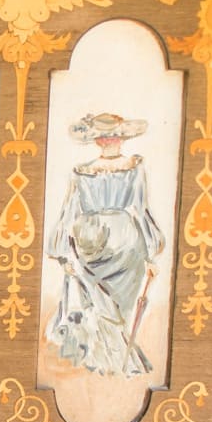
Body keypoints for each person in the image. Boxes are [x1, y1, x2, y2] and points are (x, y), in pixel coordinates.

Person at [45, 112, 165, 376]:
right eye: (105, 137)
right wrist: (65, 254)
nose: (110, 142)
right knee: (96, 301)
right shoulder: (83, 171)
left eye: (114, 137)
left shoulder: (134, 167)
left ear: (121, 139)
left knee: (120, 306)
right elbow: (71, 208)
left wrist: (150, 255)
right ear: (98, 141)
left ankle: (115, 358)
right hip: (91, 242)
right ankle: (106, 360)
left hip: (127, 243)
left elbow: (141, 208)